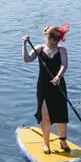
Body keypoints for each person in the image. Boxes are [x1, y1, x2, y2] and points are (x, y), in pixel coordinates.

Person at [22, 25, 71, 153]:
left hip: (58, 85)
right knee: (45, 116)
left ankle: (63, 141)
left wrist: (58, 76)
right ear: (47, 36)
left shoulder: (62, 50)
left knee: (61, 115)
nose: (56, 39)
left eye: (58, 37)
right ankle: (46, 144)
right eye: (53, 37)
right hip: (43, 86)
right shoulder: (39, 48)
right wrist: (24, 44)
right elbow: (27, 59)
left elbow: (64, 65)